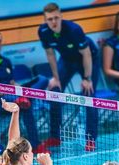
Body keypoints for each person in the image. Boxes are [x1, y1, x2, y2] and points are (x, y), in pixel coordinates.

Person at [37, 2, 100, 153]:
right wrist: (55, 77)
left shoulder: (74, 30)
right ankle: (55, 137)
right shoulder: (43, 31)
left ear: (61, 16)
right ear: (45, 20)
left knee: (89, 95)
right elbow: (50, 54)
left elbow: (86, 54)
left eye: (56, 18)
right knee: (55, 93)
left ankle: (90, 139)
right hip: (66, 60)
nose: (53, 22)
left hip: (88, 59)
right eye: (50, 19)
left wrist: (87, 78)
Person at [0, 31, 49, 148]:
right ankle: (36, 145)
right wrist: (6, 90)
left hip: (14, 95)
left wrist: (18, 88)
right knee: (25, 106)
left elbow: (12, 82)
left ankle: (24, 98)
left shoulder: (6, 61)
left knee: (42, 79)